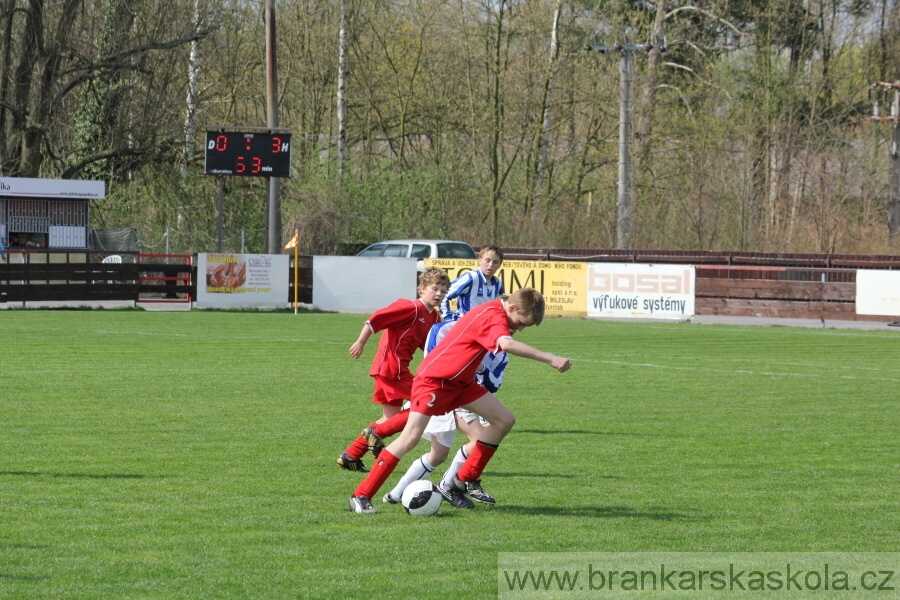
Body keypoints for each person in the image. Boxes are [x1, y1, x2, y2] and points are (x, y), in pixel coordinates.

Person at [348, 287, 571, 514]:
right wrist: (550, 358)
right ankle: (361, 495)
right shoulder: (494, 316)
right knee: (410, 438)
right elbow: (506, 345)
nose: (520, 328)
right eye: (521, 322)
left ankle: (463, 479)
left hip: (461, 383)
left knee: (504, 420)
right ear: (511, 308)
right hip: (435, 380)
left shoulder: (501, 308)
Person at [382, 320, 508, 509]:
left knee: (438, 454)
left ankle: (395, 495)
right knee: (480, 439)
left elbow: (494, 384)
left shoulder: (502, 353)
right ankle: (448, 486)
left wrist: (481, 369)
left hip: (470, 399)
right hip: (444, 393)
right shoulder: (452, 328)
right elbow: (432, 360)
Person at [336, 266, 450, 472]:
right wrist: (361, 341)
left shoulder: (433, 317)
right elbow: (378, 317)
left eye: (443, 291)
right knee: (426, 403)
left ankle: (350, 455)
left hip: (394, 369)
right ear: (422, 289)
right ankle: (375, 434)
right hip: (391, 368)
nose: (439, 294)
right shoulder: (411, 307)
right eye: (435, 289)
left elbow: (429, 347)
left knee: (390, 419)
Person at [440, 244, 504, 321]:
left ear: (500, 265)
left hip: (484, 327)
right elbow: (444, 295)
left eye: (495, 262)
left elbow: (499, 308)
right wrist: (448, 318)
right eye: (487, 260)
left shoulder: (498, 284)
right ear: (479, 260)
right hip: (464, 325)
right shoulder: (471, 278)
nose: (490, 265)